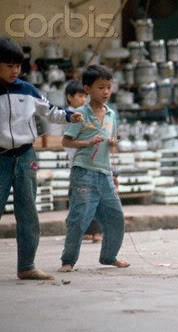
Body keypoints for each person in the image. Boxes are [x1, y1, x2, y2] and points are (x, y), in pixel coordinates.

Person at [0, 37, 83, 280]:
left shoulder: (28, 90)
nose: (15, 70)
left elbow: (51, 111)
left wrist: (70, 116)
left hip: (26, 156)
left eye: (18, 66)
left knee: (28, 212)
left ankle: (26, 266)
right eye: (9, 65)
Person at [58, 65, 129, 272]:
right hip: (83, 172)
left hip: (105, 173)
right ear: (87, 89)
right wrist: (86, 143)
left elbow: (111, 140)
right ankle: (68, 261)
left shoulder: (111, 114)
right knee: (79, 219)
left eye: (109, 87)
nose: (106, 92)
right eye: (101, 88)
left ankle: (109, 256)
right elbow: (66, 141)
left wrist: (113, 143)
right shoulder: (80, 114)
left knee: (115, 217)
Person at [64, 80, 103, 243]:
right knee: (83, 197)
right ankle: (85, 230)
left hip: (88, 160)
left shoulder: (87, 113)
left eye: (85, 95)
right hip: (78, 161)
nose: (84, 99)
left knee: (89, 196)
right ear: (69, 97)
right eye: (80, 95)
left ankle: (92, 230)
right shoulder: (69, 116)